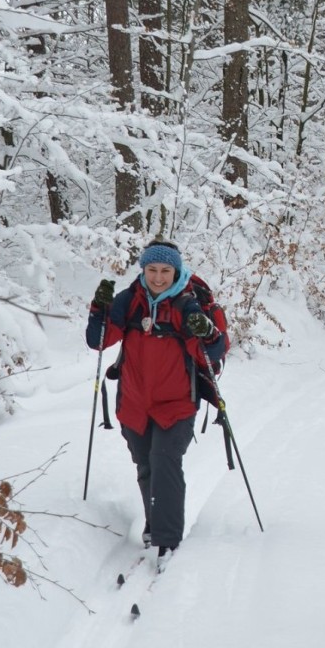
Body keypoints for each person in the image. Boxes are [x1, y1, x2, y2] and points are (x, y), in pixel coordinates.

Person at [86, 239, 227, 563]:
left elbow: (211, 355)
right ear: (143, 269)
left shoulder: (185, 305)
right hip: (134, 403)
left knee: (165, 461)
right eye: (153, 270)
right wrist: (99, 310)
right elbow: (99, 341)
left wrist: (207, 334)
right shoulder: (129, 301)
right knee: (146, 464)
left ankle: (167, 540)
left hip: (176, 403)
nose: (159, 277)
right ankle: (155, 525)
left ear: (176, 271)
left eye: (165, 270)